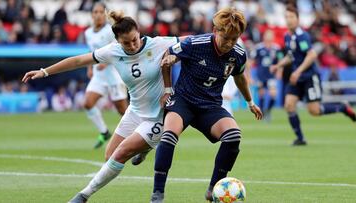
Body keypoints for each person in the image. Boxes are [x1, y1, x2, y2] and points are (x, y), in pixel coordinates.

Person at [22, 11, 180, 203]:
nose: (132, 45)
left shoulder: (159, 44)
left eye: (134, 40)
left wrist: (223, 39)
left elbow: (192, 41)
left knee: (121, 153)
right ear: (117, 41)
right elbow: (79, 60)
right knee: (109, 156)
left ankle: (83, 196)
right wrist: (44, 71)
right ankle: (144, 148)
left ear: (139, 33)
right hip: (135, 111)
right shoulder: (113, 51)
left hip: (158, 116)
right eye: (126, 43)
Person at [150, 7, 263, 203]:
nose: (229, 43)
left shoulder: (238, 54)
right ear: (215, 30)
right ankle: (157, 193)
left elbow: (240, 78)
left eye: (234, 39)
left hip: (210, 106)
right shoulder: (195, 43)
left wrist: (250, 102)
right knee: (168, 136)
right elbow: (169, 55)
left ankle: (214, 189)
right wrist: (168, 88)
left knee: (233, 136)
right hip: (183, 101)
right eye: (225, 37)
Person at [270, 5, 356, 146]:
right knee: (289, 105)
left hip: (309, 76)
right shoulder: (287, 36)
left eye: (291, 17)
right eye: (286, 17)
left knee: (314, 111)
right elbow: (291, 56)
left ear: (297, 19)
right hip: (297, 78)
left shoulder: (302, 36)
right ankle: (300, 138)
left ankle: (342, 107)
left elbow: (311, 55)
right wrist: (278, 65)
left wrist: (297, 71)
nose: (289, 20)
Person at [83, 3, 128, 148]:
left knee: (124, 111)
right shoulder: (88, 33)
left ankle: (140, 136)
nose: (98, 15)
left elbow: (120, 47)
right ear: (91, 15)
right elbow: (91, 52)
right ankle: (104, 131)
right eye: (95, 12)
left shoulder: (111, 30)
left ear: (105, 14)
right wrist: (90, 67)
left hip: (114, 74)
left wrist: (107, 62)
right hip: (99, 76)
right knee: (88, 103)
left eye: (101, 12)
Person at [250, 29, 283, 121]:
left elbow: (281, 61)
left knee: (273, 94)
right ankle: (262, 113)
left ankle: (268, 110)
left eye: (270, 35)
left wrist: (279, 72)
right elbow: (251, 61)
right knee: (261, 95)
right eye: (267, 35)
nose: (269, 37)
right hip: (261, 75)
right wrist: (250, 76)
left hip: (271, 75)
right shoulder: (258, 48)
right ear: (264, 36)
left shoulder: (276, 48)